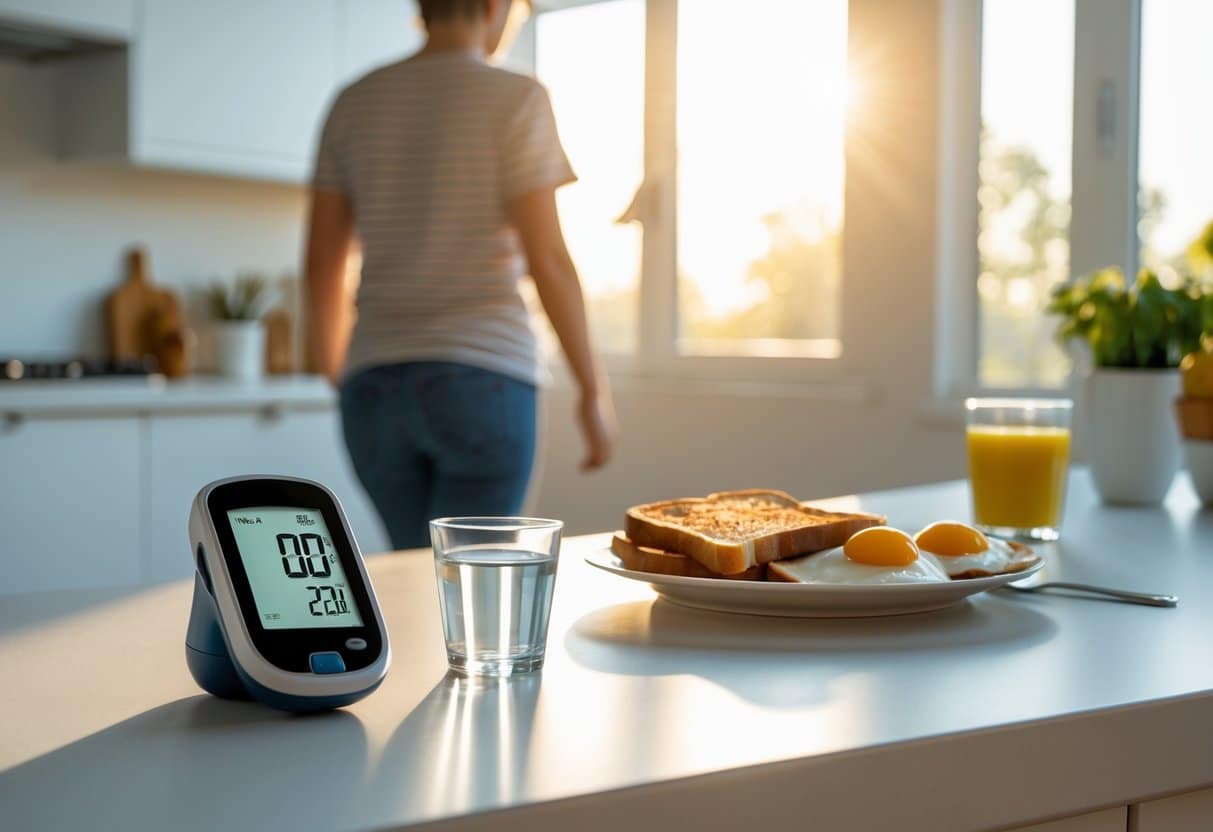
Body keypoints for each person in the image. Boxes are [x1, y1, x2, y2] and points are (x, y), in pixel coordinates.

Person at [305, 0, 615, 550]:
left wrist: (343, 371)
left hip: (374, 383)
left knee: (411, 575)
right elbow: (548, 259)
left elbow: (322, 263)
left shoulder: (354, 101)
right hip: (485, 375)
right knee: (475, 592)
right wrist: (592, 389)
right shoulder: (517, 97)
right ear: (495, 7)